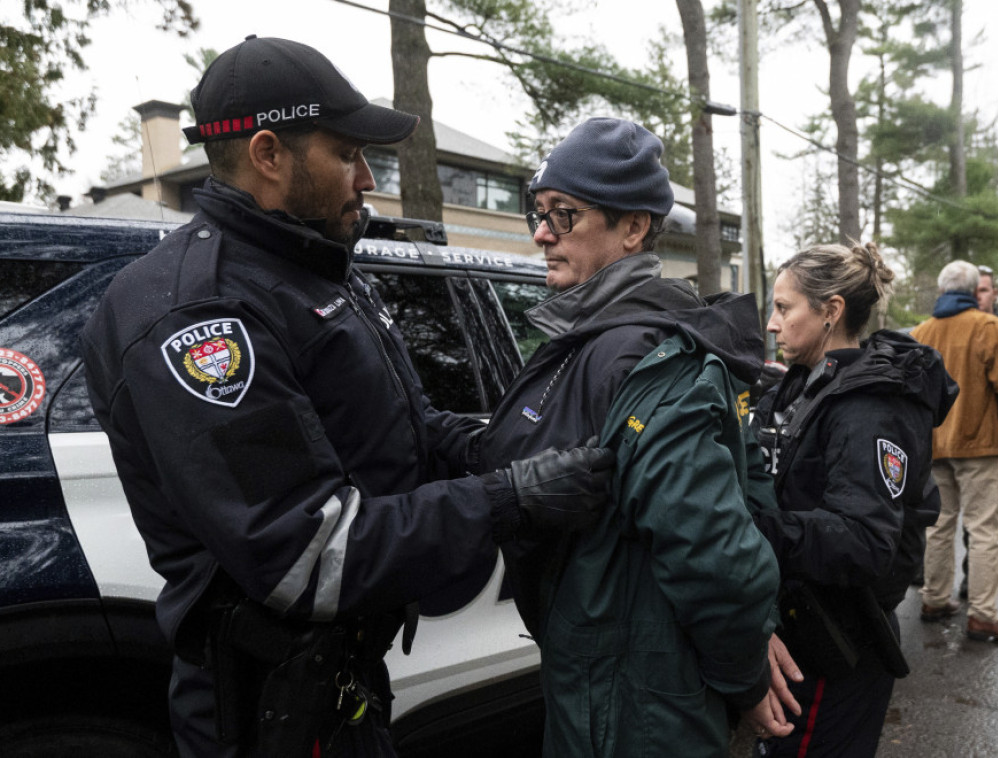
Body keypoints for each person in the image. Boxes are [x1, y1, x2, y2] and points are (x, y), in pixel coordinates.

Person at [80, 36, 614, 758]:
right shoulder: (201, 319)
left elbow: (396, 426)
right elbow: (309, 555)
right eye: (346, 154)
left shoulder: (310, 266)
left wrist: (489, 446)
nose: (366, 178)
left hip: (340, 684)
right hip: (269, 710)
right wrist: (508, 497)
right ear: (269, 154)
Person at [476, 117, 791, 757]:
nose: (541, 233)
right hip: (596, 680)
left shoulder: (651, 356)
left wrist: (744, 673)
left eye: (564, 215)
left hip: (634, 703)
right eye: (538, 212)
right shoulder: (584, 341)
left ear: (633, 228)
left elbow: (716, 551)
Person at [751, 242, 956, 757]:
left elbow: (865, 539)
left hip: (835, 644)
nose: (772, 325)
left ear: (831, 311)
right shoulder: (804, 383)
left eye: (783, 308)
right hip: (797, 631)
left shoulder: (868, 406)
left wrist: (749, 528)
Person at [912, 260, 998, 642]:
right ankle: (983, 615)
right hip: (979, 444)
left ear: (942, 290)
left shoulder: (922, 332)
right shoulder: (989, 327)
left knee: (940, 525)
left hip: (936, 444)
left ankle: (934, 598)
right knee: (983, 529)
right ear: (973, 289)